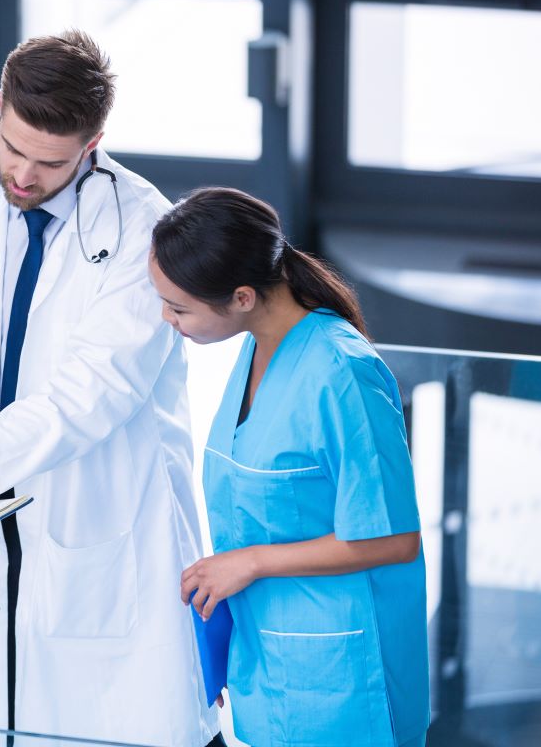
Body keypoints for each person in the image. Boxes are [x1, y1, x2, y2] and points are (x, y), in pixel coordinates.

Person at [0, 31, 221, 747]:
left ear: (93, 142)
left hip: (111, 531)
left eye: (50, 161)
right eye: (11, 147)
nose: (23, 175)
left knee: (129, 721)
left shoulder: (142, 232)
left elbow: (93, 393)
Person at [148, 187, 430, 747]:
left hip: (345, 678)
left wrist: (248, 563)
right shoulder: (256, 347)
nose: (167, 319)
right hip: (271, 662)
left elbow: (394, 539)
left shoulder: (343, 373)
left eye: (179, 307)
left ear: (243, 295)